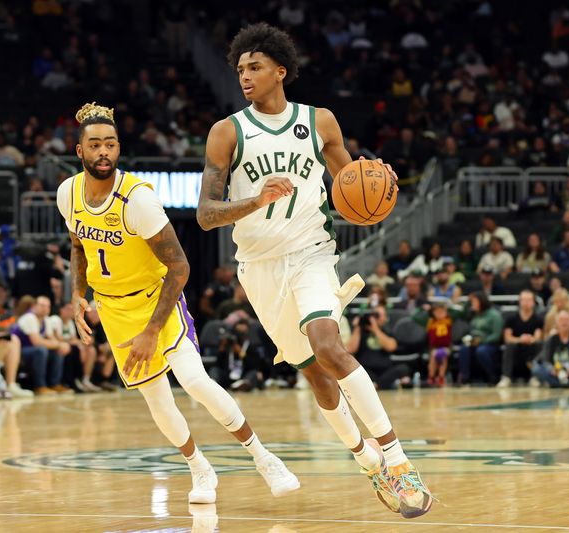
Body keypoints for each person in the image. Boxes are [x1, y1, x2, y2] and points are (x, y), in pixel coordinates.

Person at [196, 24, 433, 517]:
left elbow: (353, 191)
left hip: (312, 253)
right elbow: (205, 214)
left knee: (329, 346)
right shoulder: (226, 133)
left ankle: (397, 459)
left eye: (255, 67)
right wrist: (254, 200)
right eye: (240, 69)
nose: (245, 76)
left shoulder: (319, 121)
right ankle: (366, 460)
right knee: (316, 375)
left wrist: (379, 183)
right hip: (259, 267)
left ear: (280, 71)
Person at [58, 100, 299, 506]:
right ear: (79, 151)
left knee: (194, 381)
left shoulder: (137, 200)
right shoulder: (68, 193)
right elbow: (79, 245)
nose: (103, 152)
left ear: (119, 149)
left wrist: (152, 330)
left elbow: (181, 267)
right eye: (95, 145)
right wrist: (78, 295)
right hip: (115, 310)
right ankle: (199, 467)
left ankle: (263, 457)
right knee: (156, 399)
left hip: (157, 301)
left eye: (111, 144)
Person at [10, 295, 72, 395]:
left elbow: (51, 338)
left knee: (57, 352)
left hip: (31, 350)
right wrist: (59, 345)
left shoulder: (46, 320)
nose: (45, 309)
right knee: (41, 350)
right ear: (34, 306)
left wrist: (61, 345)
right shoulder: (29, 317)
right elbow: (36, 341)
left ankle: (55, 384)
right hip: (17, 351)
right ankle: (40, 386)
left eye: (48, 306)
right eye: (42, 305)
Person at [346, 306, 409, 390]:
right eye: (374, 315)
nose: (375, 318)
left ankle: (376, 385)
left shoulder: (387, 331)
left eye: (378, 315)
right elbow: (350, 349)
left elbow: (391, 347)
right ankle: (387, 383)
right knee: (356, 371)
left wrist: (375, 329)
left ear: (385, 318)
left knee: (403, 368)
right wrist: (358, 327)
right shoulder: (360, 332)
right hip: (366, 369)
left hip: (385, 370)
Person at [532, 310, 569, 387]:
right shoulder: (550, 339)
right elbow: (545, 359)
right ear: (556, 323)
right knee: (536, 369)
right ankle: (568, 383)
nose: (564, 322)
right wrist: (552, 369)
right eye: (561, 320)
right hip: (555, 370)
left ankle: (554, 383)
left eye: (567, 320)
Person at [497, 291, 543, 388]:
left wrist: (530, 339)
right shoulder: (511, 318)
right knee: (509, 345)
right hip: (516, 347)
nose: (526, 302)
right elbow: (507, 337)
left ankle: (534, 377)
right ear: (519, 301)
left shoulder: (538, 318)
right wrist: (520, 339)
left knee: (539, 344)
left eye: (529, 300)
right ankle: (506, 377)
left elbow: (538, 336)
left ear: (533, 302)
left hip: (531, 347)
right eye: (524, 300)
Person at [457, 291, 504, 385]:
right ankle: (464, 378)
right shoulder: (474, 314)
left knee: (481, 351)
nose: (472, 304)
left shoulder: (494, 315)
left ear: (481, 301)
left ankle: (492, 376)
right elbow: (462, 313)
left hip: (490, 344)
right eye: (472, 302)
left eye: (474, 302)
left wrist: (482, 341)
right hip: (474, 342)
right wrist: (468, 301)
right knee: (463, 348)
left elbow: (496, 335)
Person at [426, 303, 452, 386]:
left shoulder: (448, 321)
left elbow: (458, 312)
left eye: (442, 312)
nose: (440, 314)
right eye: (438, 312)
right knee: (433, 357)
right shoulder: (431, 322)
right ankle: (431, 376)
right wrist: (424, 309)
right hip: (434, 348)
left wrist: (450, 305)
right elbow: (416, 317)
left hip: (446, 347)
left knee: (443, 357)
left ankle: (441, 376)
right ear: (433, 313)